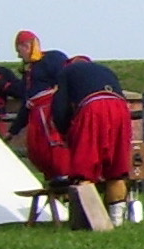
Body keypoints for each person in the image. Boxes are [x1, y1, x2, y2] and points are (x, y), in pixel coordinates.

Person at [54, 56, 135, 224]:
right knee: (117, 169)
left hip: (93, 109)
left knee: (84, 167)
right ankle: (116, 220)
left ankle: (87, 220)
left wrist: (64, 132)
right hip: (121, 110)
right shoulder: (106, 70)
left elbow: (59, 107)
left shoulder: (66, 72)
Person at [20, 50, 73, 180]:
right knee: (39, 148)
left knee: (54, 142)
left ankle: (63, 175)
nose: (19, 56)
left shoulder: (52, 58)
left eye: (19, 51)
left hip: (48, 111)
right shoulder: (29, 69)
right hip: (36, 113)